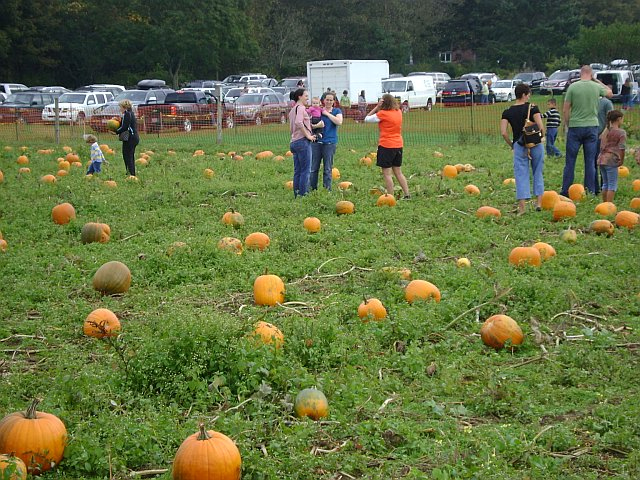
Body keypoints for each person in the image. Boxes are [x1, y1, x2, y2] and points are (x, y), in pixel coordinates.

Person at [561, 65, 612, 197]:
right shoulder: (596, 87)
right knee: (590, 161)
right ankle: (590, 190)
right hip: (592, 127)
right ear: (591, 74)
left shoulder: (572, 87)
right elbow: (609, 93)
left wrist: (568, 124)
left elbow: (566, 109)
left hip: (575, 126)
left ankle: (566, 190)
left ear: (580, 74)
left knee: (570, 161)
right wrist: (596, 81)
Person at [500, 83, 545, 215]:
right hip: (535, 144)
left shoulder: (507, 111)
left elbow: (503, 132)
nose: (529, 97)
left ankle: (522, 208)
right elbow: (541, 127)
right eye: (528, 94)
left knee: (521, 175)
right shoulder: (533, 108)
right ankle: (539, 203)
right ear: (524, 95)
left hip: (519, 145)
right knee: (537, 171)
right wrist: (540, 138)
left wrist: (512, 145)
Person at [364, 93, 410, 199]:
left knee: (387, 174)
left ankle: (390, 197)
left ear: (383, 102)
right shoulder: (398, 112)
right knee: (398, 171)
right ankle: (407, 194)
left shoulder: (383, 113)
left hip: (386, 145)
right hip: (398, 144)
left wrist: (377, 107)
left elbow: (367, 119)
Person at [310, 92, 343, 191]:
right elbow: (309, 121)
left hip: (329, 143)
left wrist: (327, 114)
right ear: (323, 100)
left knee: (328, 168)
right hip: (317, 142)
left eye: (331, 100)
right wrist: (316, 126)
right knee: (313, 168)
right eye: (327, 99)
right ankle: (313, 189)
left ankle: (326, 190)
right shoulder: (318, 110)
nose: (328, 102)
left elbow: (339, 122)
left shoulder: (337, 111)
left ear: (334, 101)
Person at [288, 89, 318, 198]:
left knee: (298, 171)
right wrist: (308, 136)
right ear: (300, 97)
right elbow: (299, 122)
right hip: (302, 142)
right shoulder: (300, 108)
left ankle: (297, 194)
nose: (307, 98)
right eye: (306, 96)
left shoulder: (292, 110)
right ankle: (303, 195)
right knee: (306, 171)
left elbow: (294, 126)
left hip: (294, 142)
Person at [596, 110, 626, 203]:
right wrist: (621, 159)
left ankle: (604, 204)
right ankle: (609, 206)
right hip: (612, 160)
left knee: (605, 183)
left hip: (601, 159)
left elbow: (601, 144)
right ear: (619, 119)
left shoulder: (606, 131)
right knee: (612, 184)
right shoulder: (621, 133)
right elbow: (622, 147)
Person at [595, 92, 614, 194]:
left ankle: (604, 186)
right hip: (592, 136)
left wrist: (604, 134)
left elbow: (611, 120)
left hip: (603, 136)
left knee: (603, 162)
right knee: (594, 162)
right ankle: (594, 187)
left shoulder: (606, 103)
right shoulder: (591, 102)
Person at [114, 99, 139, 177]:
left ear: (124, 107)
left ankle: (131, 174)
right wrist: (119, 121)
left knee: (128, 155)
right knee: (128, 155)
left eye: (120, 107)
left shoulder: (127, 114)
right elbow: (124, 124)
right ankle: (130, 172)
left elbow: (125, 127)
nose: (120, 109)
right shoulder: (129, 114)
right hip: (132, 137)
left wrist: (116, 132)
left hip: (130, 138)